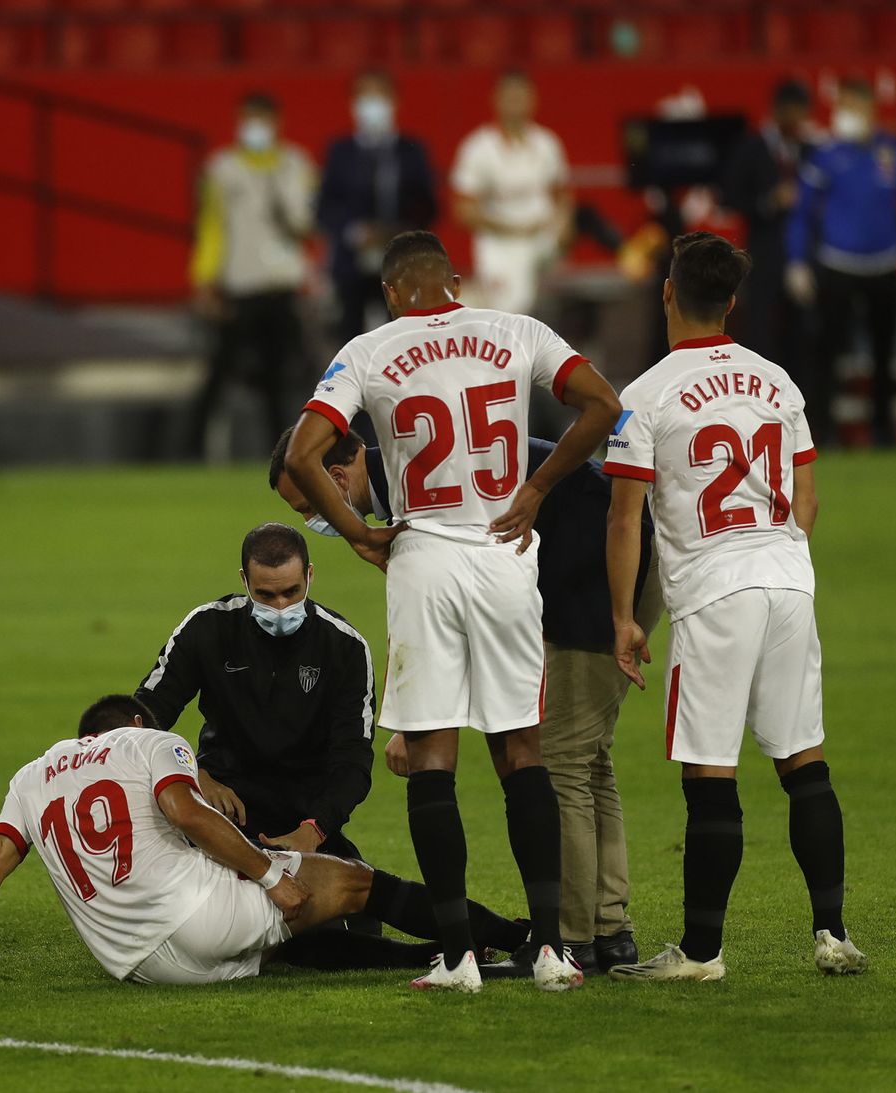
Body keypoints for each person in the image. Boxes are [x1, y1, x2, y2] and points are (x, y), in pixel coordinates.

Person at [285, 230, 622, 994]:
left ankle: (460, 956)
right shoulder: (517, 330)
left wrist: (359, 532)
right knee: (522, 750)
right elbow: (604, 404)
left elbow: (304, 452)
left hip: (426, 557)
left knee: (432, 758)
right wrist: (537, 487)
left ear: (390, 293)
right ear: (456, 282)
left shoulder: (368, 349)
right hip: (505, 551)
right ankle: (550, 949)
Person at [269, 425, 665, 975]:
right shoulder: (414, 464)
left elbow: (451, 600)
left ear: (335, 476)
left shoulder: (413, 493)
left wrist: (416, 720)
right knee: (586, 758)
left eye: (309, 505)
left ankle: (571, 939)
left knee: (562, 761)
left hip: (599, 566)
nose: (316, 520)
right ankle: (607, 930)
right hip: (618, 554)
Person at [603, 231, 867, 982]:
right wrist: (779, 556)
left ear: (668, 294)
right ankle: (833, 933)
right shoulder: (778, 382)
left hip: (714, 591)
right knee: (803, 760)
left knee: (710, 772)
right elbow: (807, 496)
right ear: (731, 302)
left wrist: (624, 618)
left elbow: (625, 519)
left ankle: (701, 952)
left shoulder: (646, 394)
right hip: (788, 579)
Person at [0, 695, 528, 988]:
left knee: (285, 945)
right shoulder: (149, 741)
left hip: (138, 968)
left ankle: (428, 959)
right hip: (196, 920)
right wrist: (273, 877)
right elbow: (185, 812)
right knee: (353, 883)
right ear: (136, 722)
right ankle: (515, 938)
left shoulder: (31, 777)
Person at [134, 523, 375, 865]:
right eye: (265, 595)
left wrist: (316, 829)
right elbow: (139, 722)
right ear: (244, 581)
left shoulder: (345, 647)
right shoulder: (208, 628)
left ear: (309, 576)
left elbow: (353, 760)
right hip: (221, 806)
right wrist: (192, 775)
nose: (280, 607)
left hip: (304, 818)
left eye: (291, 592)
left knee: (359, 899)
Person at [785, 76, 896, 448]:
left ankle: (883, 431)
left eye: (851, 107)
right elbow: (803, 213)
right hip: (837, 265)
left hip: (884, 266)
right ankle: (822, 431)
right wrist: (797, 261)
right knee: (827, 352)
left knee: (886, 354)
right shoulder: (825, 156)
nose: (843, 115)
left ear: (870, 110)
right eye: (841, 107)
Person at [189, 92, 317, 454]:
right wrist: (204, 278)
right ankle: (190, 449)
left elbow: (310, 224)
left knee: (282, 379)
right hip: (241, 286)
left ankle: (285, 454)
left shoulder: (297, 165)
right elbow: (212, 227)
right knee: (220, 372)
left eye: (261, 120)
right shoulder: (221, 169)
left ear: (276, 122)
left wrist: (292, 217)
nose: (254, 128)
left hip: (282, 285)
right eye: (248, 120)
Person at [317, 70, 438, 346]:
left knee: (402, 342)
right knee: (351, 342)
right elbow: (325, 207)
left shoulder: (411, 151)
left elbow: (428, 206)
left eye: (379, 96)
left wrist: (398, 232)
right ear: (353, 103)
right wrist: (354, 232)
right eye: (365, 96)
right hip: (352, 264)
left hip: (401, 264)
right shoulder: (340, 151)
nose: (372, 104)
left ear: (394, 101)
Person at [450, 70, 573, 314]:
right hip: (500, 246)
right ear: (495, 99)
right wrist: (510, 228)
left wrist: (563, 225)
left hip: (543, 242)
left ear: (533, 99)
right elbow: (463, 209)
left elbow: (563, 194)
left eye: (521, 96)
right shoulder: (478, 148)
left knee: (549, 314)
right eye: (509, 96)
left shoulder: (547, 144)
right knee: (509, 313)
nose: (516, 102)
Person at [721, 79, 817, 364]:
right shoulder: (751, 147)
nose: (798, 120)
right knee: (760, 324)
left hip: (803, 254)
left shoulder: (810, 150)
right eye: (793, 112)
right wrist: (768, 202)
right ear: (778, 110)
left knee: (802, 328)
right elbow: (730, 195)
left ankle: (799, 388)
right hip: (763, 250)